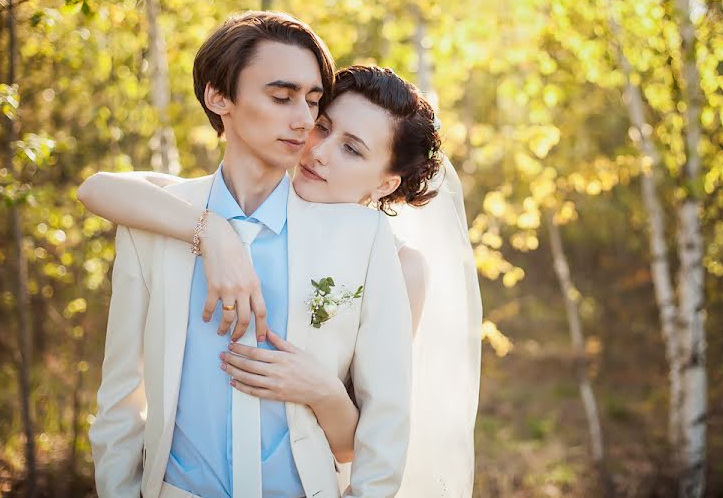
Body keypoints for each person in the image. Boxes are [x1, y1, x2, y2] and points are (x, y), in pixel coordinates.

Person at [82, 64, 482, 495]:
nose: (320, 152)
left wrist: (321, 389)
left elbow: (359, 441)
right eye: (322, 127)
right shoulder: (233, 203)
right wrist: (212, 231)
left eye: (352, 149)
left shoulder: (397, 265)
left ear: (385, 183)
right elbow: (101, 189)